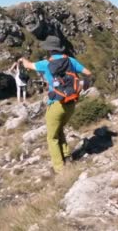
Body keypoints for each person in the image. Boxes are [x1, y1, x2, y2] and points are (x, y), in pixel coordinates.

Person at [20, 35, 92, 174]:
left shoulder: (46, 64)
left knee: (51, 137)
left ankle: (59, 168)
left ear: (49, 50)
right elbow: (88, 73)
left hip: (56, 104)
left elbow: (28, 65)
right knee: (59, 130)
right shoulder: (70, 60)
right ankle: (66, 156)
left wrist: (22, 59)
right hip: (70, 103)